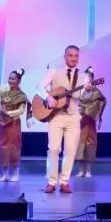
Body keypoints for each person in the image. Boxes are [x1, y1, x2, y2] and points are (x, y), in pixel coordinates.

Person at [37, 45, 93, 194]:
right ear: (65, 56)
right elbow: (39, 87)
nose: (73, 58)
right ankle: (51, 181)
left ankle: (64, 181)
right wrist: (48, 97)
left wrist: (87, 91)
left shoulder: (84, 76)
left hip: (73, 116)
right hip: (55, 116)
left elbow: (83, 97)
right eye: (70, 55)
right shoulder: (54, 71)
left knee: (70, 150)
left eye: (76, 56)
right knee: (54, 148)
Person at [75, 67, 107, 178]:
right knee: (79, 145)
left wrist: (95, 113)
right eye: (84, 79)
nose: (86, 81)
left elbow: (102, 101)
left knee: (90, 144)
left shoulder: (96, 92)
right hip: (80, 122)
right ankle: (80, 170)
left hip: (90, 122)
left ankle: (88, 170)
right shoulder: (79, 91)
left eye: (88, 79)